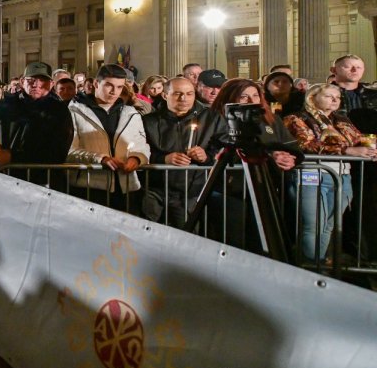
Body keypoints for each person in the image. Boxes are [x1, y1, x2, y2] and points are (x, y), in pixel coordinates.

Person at [198, 77, 301, 253]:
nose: (252, 101)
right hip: (230, 190)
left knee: (263, 242)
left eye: (255, 95)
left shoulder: (271, 119)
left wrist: (289, 157)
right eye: (244, 96)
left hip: (267, 188)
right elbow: (220, 151)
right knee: (233, 243)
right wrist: (269, 155)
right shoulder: (215, 118)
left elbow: (290, 146)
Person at [283, 83, 377, 262]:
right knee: (312, 226)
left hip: (342, 175)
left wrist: (370, 147)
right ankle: (310, 267)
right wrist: (345, 151)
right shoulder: (296, 118)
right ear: (312, 98)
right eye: (329, 96)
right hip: (312, 175)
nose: (335, 100)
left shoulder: (341, 119)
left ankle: (318, 264)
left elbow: (359, 139)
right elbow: (305, 145)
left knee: (328, 226)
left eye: (337, 97)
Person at [66, 64, 150, 213]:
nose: (114, 92)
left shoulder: (131, 113)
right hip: (89, 187)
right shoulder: (74, 111)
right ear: (96, 84)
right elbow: (69, 150)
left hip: (127, 187)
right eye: (109, 85)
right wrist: (101, 159)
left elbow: (142, 145)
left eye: (119, 87)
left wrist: (137, 158)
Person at [0, 63, 73, 183]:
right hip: (9, 178)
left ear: (51, 84)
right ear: (22, 81)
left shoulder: (58, 110)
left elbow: (57, 151)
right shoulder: (8, 105)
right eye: (31, 80)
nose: (36, 84)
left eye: (42, 80)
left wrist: (13, 158)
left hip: (44, 181)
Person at [141, 76, 209, 227]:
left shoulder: (209, 119)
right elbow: (137, 151)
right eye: (177, 93)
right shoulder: (148, 121)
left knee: (187, 238)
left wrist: (206, 156)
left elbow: (220, 149)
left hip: (189, 192)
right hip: (154, 189)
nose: (184, 98)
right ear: (165, 95)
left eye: (189, 93)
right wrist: (163, 159)